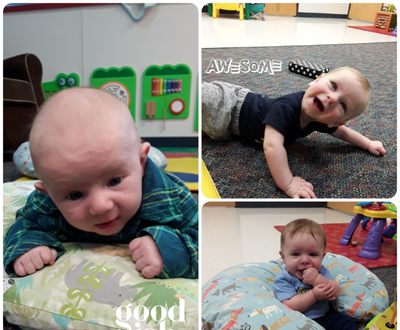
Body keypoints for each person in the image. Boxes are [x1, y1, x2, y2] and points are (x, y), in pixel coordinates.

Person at [4, 88, 198, 279]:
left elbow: (200, 242)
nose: (100, 206)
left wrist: (170, 249)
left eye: (114, 181)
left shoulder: (173, 198)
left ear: (141, 163)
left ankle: (154, 156)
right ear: (48, 193)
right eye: (75, 195)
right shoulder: (46, 204)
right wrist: (29, 245)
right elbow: (25, 223)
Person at [202, 67, 386, 198]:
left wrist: (368, 144)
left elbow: (343, 133)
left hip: (226, 127)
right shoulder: (286, 107)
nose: (332, 98)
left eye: (343, 105)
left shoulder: (320, 118)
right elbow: (272, 145)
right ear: (316, 79)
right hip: (228, 104)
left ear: (336, 121)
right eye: (333, 86)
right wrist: (288, 183)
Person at [273, 219, 362, 330]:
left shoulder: (322, 272)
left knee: (346, 323)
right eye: (296, 254)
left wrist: (316, 280)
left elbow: (335, 290)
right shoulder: (284, 279)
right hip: (301, 326)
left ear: (322, 256)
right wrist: (313, 295)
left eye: (313, 254)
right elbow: (289, 306)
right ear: (283, 257)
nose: (305, 260)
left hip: (325, 318)